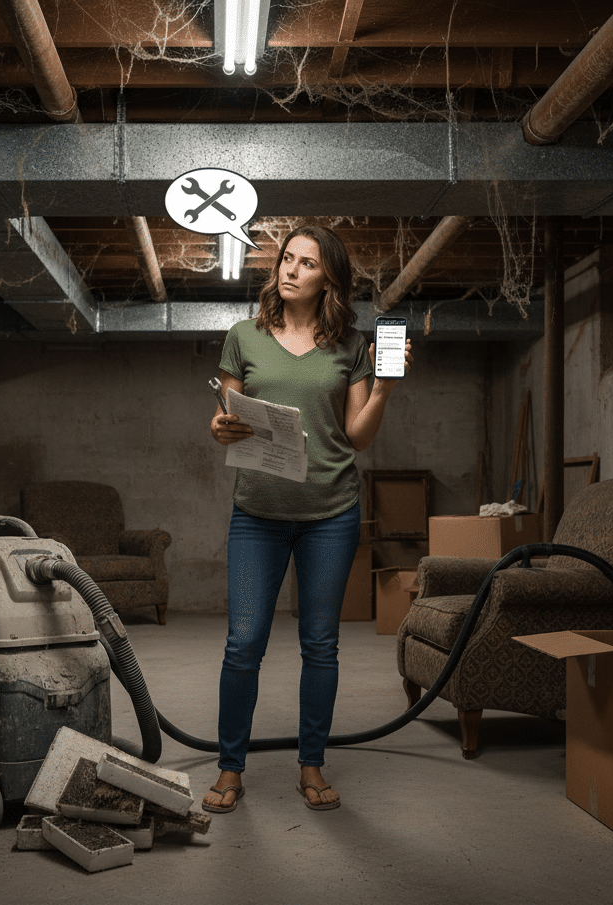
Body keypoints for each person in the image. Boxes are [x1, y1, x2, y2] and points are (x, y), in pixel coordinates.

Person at [202, 224, 412, 814]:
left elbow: (356, 438)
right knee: (244, 644)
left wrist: (385, 390)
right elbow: (224, 419)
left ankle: (311, 766)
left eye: (306, 263)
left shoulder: (349, 345)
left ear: (329, 280)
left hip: (330, 514)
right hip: (257, 514)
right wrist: (220, 428)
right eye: (286, 259)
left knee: (320, 645)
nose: (289, 270)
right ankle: (229, 768)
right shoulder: (243, 336)